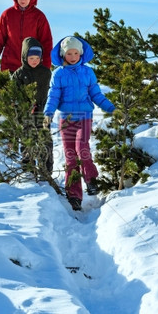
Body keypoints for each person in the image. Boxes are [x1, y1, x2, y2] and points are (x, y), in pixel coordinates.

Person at [43, 35, 115, 211]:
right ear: (63, 55)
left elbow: (97, 95)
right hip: (66, 119)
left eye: (76, 52)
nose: (73, 56)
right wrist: (48, 113)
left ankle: (91, 179)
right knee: (70, 156)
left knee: (81, 148)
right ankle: (74, 195)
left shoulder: (87, 72)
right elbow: (53, 96)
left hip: (84, 116)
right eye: (69, 53)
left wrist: (113, 109)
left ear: (81, 53)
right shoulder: (58, 74)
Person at [0, 0, 53, 74]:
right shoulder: (7, 15)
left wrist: (45, 71)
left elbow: (46, 44)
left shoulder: (39, 17)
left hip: (32, 69)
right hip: (9, 68)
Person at [12, 37, 54, 174]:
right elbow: (14, 94)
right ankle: (28, 170)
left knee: (45, 142)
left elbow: (50, 91)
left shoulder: (46, 72)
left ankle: (46, 171)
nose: (35, 61)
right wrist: (20, 109)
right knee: (27, 142)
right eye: (31, 58)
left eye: (37, 58)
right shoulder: (19, 74)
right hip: (26, 113)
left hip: (42, 112)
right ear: (24, 57)